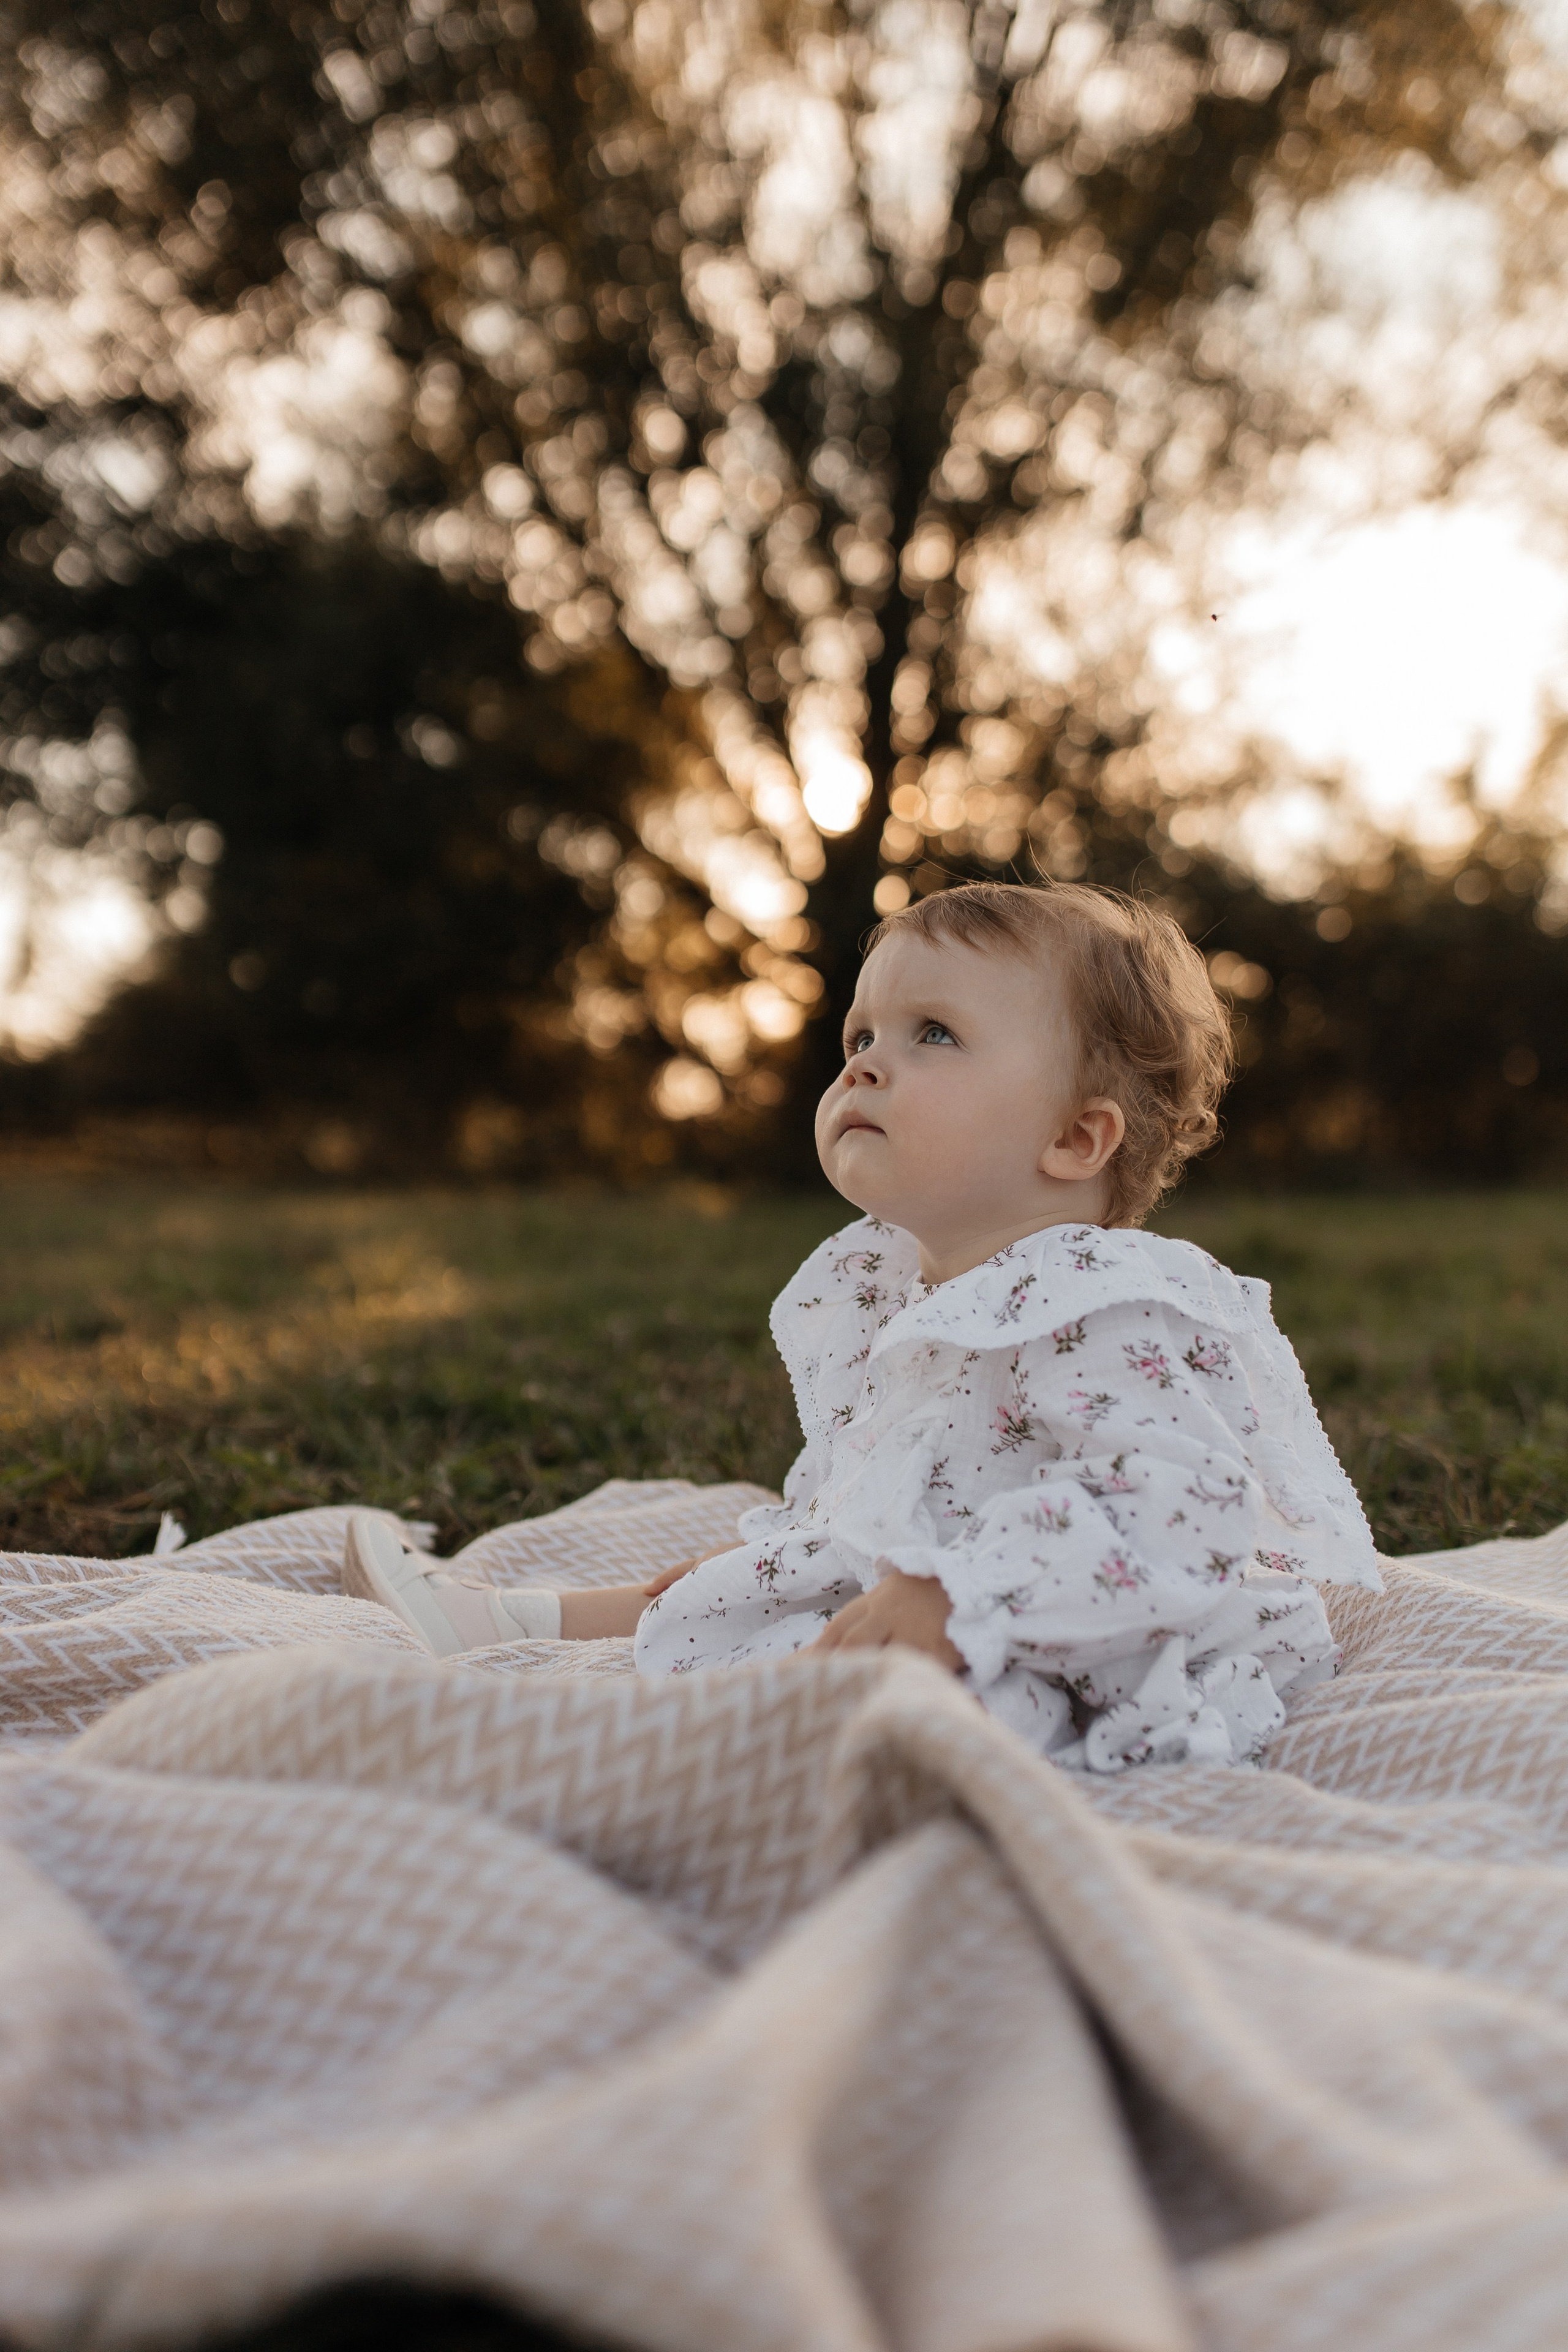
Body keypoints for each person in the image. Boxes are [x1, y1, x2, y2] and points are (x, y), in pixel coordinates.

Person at [345, 880, 1379, 1771]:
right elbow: (887, 1489)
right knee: (764, 1582)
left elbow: (1179, 1506)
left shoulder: (1100, 1299)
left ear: (1075, 1138)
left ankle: (632, 1746)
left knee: (876, 1698)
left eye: (934, 1034)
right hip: (926, 1589)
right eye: (861, 1037)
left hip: (1079, 1631)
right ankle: (515, 1624)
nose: (865, 1066)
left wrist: (963, 1593)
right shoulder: (907, 1282)